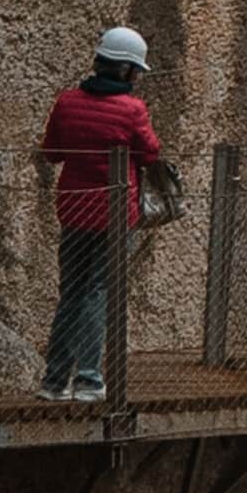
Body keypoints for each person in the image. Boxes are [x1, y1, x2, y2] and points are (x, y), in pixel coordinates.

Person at [37, 27, 176, 400]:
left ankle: (53, 381)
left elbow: (52, 153)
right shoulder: (132, 110)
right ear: (127, 71)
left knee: (71, 292)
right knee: (99, 291)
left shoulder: (67, 102)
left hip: (74, 210)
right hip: (116, 214)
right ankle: (88, 378)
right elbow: (150, 154)